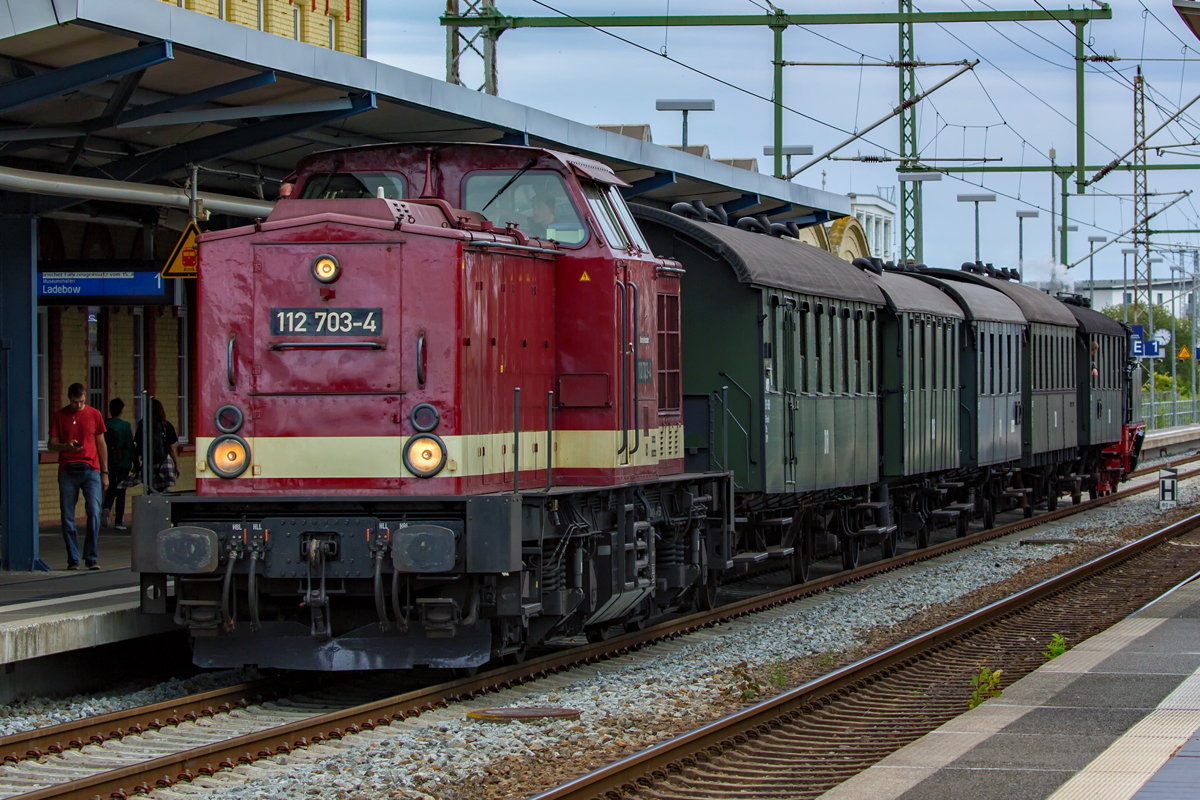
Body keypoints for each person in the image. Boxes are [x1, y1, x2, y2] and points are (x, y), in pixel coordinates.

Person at [47, 383, 107, 570]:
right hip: (68, 469)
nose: (78, 405)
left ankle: (91, 556)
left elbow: (101, 443)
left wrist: (104, 472)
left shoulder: (95, 414)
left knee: (94, 511)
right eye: (75, 402)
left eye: (81, 401)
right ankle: (73, 559)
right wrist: (66, 446)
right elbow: (51, 444)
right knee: (67, 515)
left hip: (91, 469)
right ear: (69, 398)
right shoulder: (59, 416)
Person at [134, 398, 181, 494]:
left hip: (149, 463)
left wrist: (137, 464)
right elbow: (171, 447)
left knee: (151, 491)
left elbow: (138, 446)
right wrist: (176, 464)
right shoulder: (166, 425)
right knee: (165, 492)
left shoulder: (142, 425)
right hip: (164, 463)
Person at [102, 398, 134, 531]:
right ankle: (119, 522)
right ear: (121, 410)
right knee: (121, 491)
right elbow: (129, 445)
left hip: (108, 461)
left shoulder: (104, 424)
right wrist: (135, 461)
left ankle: (106, 508)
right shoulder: (125, 425)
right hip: (123, 462)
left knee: (110, 488)